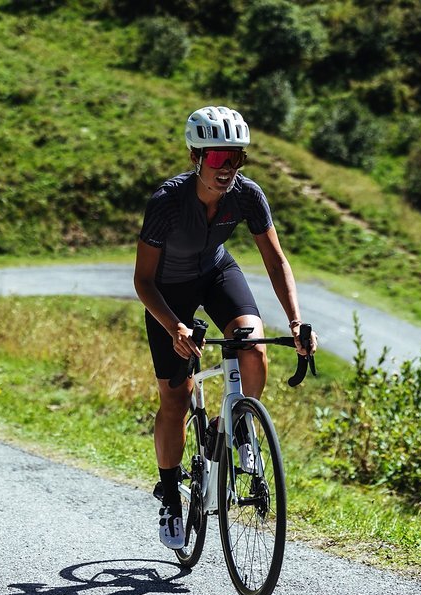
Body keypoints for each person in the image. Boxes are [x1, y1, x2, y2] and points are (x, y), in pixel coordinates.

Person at [134, 105, 317, 549]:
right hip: (167, 292)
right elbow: (142, 280)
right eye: (219, 159)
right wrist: (175, 327)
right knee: (174, 400)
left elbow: (275, 261)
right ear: (197, 156)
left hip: (216, 273)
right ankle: (170, 497)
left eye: (236, 159)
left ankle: (239, 424)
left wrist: (295, 321)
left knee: (252, 346)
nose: (228, 169)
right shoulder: (167, 203)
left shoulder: (247, 195)